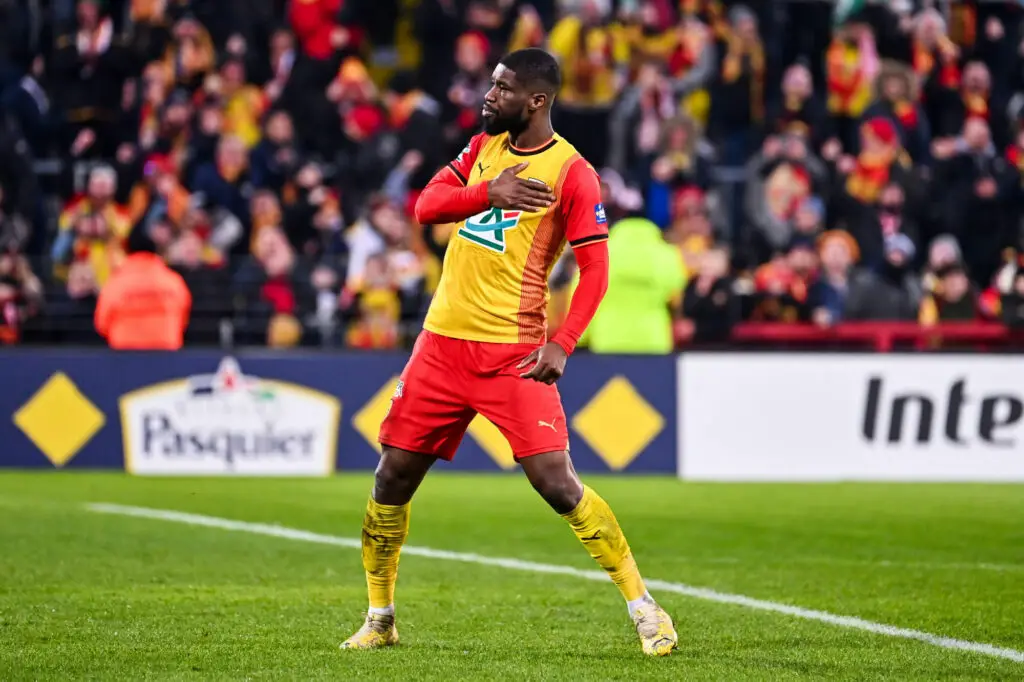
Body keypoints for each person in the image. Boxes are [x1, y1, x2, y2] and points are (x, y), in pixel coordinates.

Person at [341, 48, 677, 657]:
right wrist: (487, 192)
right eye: (491, 85)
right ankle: (380, 617)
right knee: (392, 476)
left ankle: (645, 608)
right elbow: (425, 207)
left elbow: (596, 270)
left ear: (536, 100)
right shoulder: (483, 147)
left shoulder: (572, 173)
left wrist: (563, 341)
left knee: (557, 483)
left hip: (512, 352)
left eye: (502, 88)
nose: (489, 96)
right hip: (440, 345)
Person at [94, 230, 191, 350]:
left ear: (127, 251)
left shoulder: (115, 284)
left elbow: (102, 324)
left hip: (125, 353)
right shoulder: (173, 282)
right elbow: (183, 319)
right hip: (167, 352)